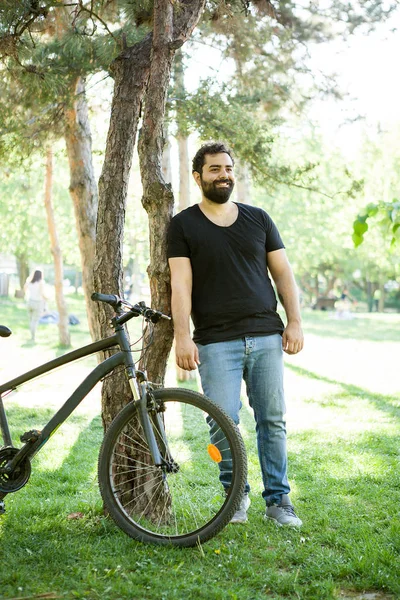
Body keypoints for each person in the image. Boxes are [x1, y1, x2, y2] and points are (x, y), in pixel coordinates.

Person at [167, 142, 304, 527]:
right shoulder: (183, 225)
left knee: (272, 419)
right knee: (222, 420)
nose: (224, 175)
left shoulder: (258, 219)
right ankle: (235, 498)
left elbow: (283, 274)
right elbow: (181, 284)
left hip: (264, 336)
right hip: (214, 341)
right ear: (198, 177)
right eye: (214, 169)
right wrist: (183, 336)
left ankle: (279, 501)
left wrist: (294, 321)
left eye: (228, 168)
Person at [25, 269, 47, 342]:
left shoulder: (29, 282)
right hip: (37, 303)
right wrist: (47, 298)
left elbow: (24, 288)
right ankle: (33, 337)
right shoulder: (41, 283)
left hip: (30, 301)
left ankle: (31, 335)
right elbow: (42, 294)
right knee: (34, 321)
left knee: (31, 320)